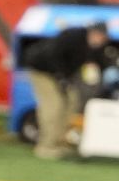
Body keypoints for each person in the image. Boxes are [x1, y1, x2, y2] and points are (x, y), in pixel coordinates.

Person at [23, 21, 110, 160]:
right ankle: (46, 146)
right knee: (53, 105)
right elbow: (53, 54)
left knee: (72, 101)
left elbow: (98, 63)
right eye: (100, 36)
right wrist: (61, 77)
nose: (101, 41)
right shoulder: (74, 36)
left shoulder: (94, 47)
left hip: (62, 75)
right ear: (93, 33)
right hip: (43, 70)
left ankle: (60, 141)